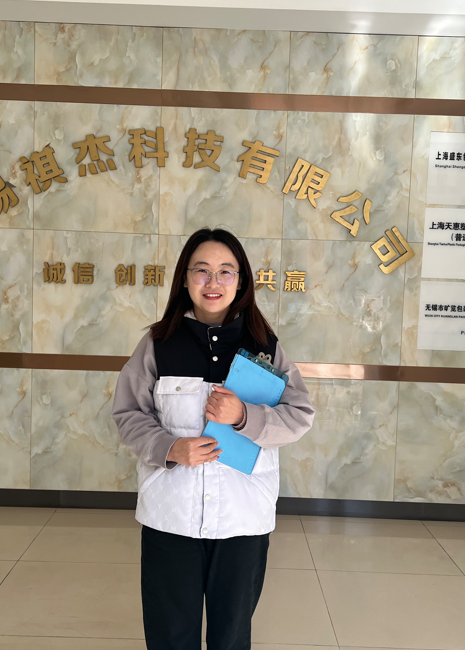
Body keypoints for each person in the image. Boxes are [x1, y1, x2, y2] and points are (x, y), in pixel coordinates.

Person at [112, 227, 315, 650]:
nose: (213, 281)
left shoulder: (265, 347)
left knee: (231, 637)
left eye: (226, 271)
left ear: (241, 281)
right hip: (171, 516)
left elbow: (299, 416)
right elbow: (128, 413)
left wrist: (244, 416)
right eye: (201, 270)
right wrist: (169, 447)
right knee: (171, 637)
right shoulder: (158, 344)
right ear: (185, 279)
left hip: (243, 518)